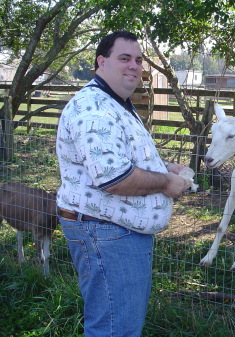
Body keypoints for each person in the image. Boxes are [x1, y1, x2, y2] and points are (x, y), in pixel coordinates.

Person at [56, 31, 187, 337]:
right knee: (115, 329)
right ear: (102, 62)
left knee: (117, 324)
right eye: (124, 58)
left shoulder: (114, 102)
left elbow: (115, 159)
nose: (134, 66)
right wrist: (167, 182)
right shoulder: (95, 109)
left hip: (114, 232)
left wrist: (162, 166)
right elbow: (114, 178)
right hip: (107, 234)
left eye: (139, 60)